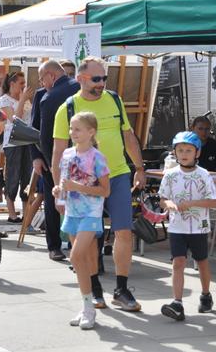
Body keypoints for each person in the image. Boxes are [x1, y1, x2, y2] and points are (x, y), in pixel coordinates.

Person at [53, 56, 146, 311]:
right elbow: (58, 152)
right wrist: (59, 191)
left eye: (104, 78)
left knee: (124, 231)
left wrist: (139, 167)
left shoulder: (114, 100)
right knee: (90, 237)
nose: (102, 83)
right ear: (81, 79)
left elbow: (127, 135)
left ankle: (121, 289)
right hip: (83, 184)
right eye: (96, 79)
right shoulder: (68, 108)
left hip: (117, 174)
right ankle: (95, 289)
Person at [52, 112, 110, 330]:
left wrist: (78, 187)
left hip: (91, 213)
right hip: (72, 211)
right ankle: (88, 306)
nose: (72, 133)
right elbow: (63, 184)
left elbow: (105, 190)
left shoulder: (97, 157)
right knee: (81, 261)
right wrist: (58, 190)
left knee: (75, 257)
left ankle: (89, 307)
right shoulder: (67, 154)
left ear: (91, 132)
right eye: (71, 129)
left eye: (77, 129)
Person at [159, 132, 216, 321]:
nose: (184, 154)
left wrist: (193, 203)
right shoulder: (169, 175)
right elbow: (162, 199)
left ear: (197, 153)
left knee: (201, 262)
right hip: (177, 227)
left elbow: (215, 202)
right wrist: (168, 204)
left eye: (188, 150)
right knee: (178, 262)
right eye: (180, 150)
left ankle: (205, 294)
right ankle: (177, 302)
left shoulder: (203, 175)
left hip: (198, 228)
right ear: (175, 153)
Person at [30, 60, 80, 261]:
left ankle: (77, 244)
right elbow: (34, 129)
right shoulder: (41, 96)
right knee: (52, 201)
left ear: (52, 75)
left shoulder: (76, 92)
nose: (42, 83)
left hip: (73, 156)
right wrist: (36, 158)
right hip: (48, 157)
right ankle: (54, 246)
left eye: (43, 79)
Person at [0, 71, 35, 223]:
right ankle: (12, 213)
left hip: (27, 141)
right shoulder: (4, 100)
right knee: (13, 175)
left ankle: (26, 214)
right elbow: (15, 120)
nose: (24, 86)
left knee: (27, 176)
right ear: (12, 84)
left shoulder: (25, 100)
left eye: (24, 83)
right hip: (13, 142)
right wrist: (23, 99)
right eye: (21, 83)